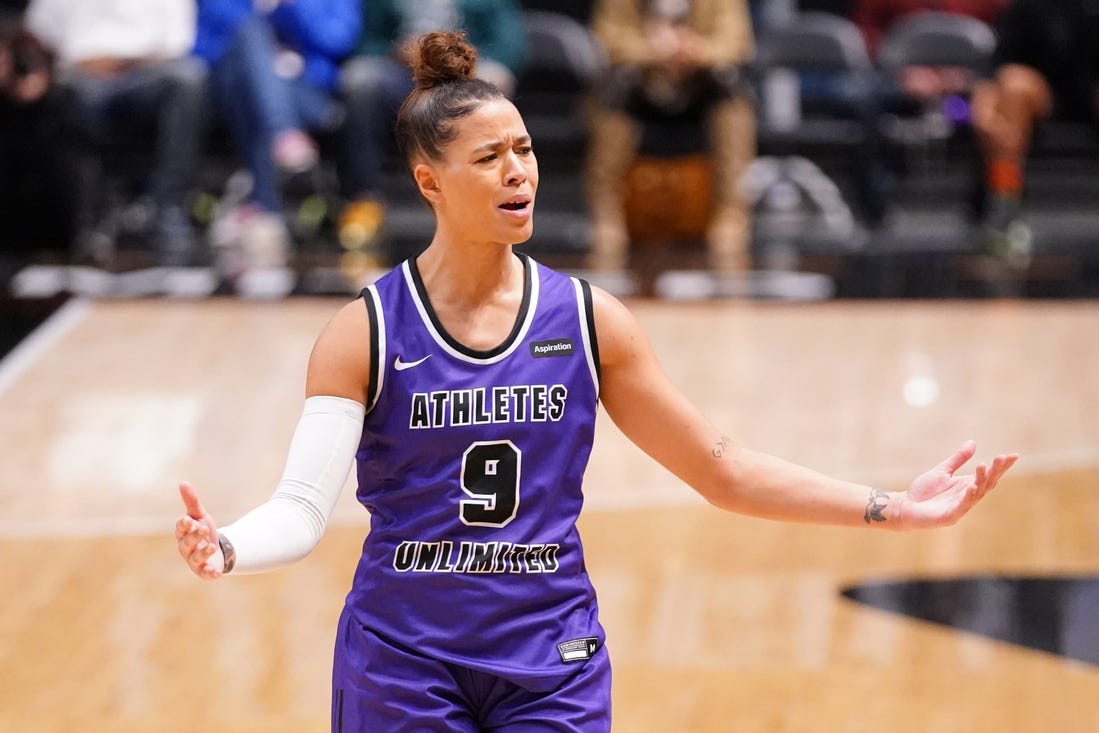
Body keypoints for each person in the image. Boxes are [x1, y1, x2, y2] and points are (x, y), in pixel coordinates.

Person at [176, 31, 1019, 731]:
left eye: (525, 149)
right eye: (490, 157)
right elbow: (302, 507)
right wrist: (230, 546)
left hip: (551, 658)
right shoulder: (364, 330)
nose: (519, 171)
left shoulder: (586, 319)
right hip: (402, 658)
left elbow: (719, 467)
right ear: (430, 181)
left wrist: (890, 507)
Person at [336, 0, 526, 268]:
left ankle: (491, 202)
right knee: (361, 80)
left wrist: (459, 59)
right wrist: (400, 52)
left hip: (465, 73)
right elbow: (367, 43)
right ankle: (364, 202)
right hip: (403, 74)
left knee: (494, 82)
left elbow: (511, 45)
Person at [23, 0, 208, 269]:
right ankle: (88, 223)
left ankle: (167, 210)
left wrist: (112, 62)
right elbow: (35, 36)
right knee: (66, 94)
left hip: (144, 80)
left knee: (189, 79)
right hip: (76, 80)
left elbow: (177, 47)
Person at [193, 0, 362, 287]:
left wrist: (288, 7)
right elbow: (198, 47)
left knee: (263, 100)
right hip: (232, 86)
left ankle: (265, 210)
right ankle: (284, 134)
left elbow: (340, 39)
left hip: (308, 92)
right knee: (250, 37)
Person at [585, 0, 758, 274]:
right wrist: (652, 51)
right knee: (615, 94)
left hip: (699, 80)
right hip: (642, 79)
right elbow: (606, 39)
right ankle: (607, 214)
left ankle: (731, 215)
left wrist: (695, 50)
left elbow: (736, 42)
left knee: (733, 97)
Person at [969, 0, 1099, 261]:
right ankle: (1004, 206)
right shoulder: (1025, 8)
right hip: (1039, 97)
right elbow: (997, 67)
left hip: (1089, 88)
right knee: (1013, 85)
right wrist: (983, 106)